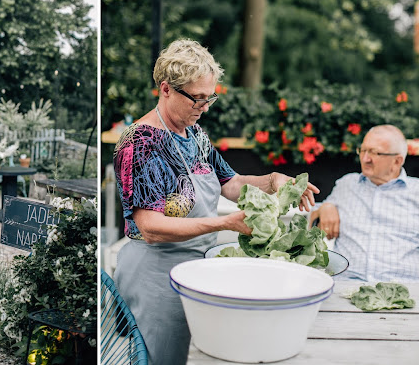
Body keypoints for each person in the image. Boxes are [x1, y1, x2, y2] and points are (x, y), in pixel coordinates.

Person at [112, 39, 318, 365]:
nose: (205, 107)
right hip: (156, 276)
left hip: (194, 269)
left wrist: (272, 181)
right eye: (197, 98)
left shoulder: (195, 134)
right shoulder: (140, 143)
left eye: (210, 97)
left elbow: (231, 183)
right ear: (166, 89)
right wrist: (225, 223)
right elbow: (149, 227)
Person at [309, 124, 419, 282]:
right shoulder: (346, 184)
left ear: (397, 161)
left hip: (403, 289)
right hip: (346, 288)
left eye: (375, 153)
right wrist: (326, 207)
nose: (366, 159)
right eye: (363, 150)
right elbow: (313, 220)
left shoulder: (416, 192)